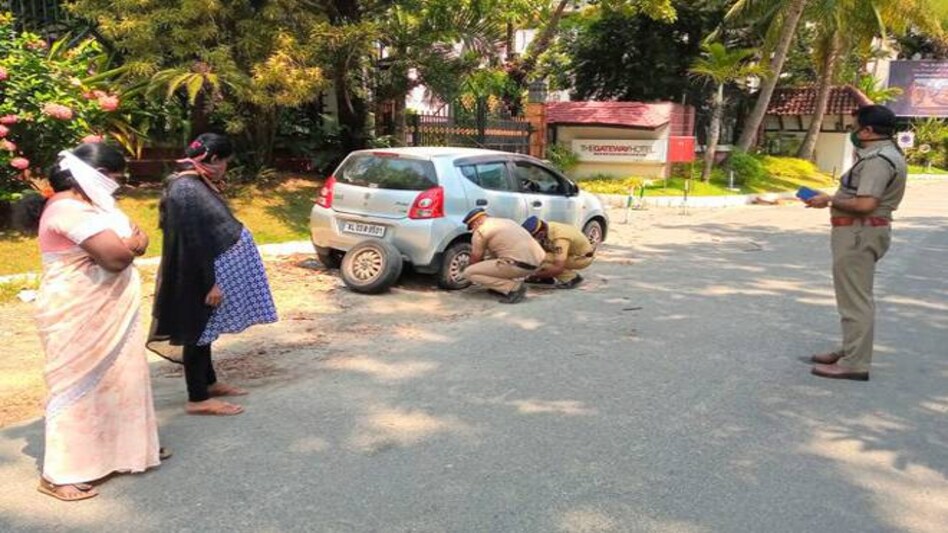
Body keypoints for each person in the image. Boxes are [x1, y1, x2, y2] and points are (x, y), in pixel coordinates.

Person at [27, 143, 165, 501]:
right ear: (96, 175)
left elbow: (140, 236)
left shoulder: (95, 206)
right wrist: (130, 245)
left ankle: (124, 452)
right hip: (78, 311)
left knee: (119, 378)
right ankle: (59, 474)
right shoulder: (68, 210)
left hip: (110, 309)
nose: (118, 184)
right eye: (115, 177)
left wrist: (131, 243)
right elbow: (116, 258)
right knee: (76, 387)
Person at [147, 134, 277, 415]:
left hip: (207, 270)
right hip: (199, 274)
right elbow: (194, 241)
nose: (226, 168)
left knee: (206, 329)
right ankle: (197, 398)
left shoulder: (193, 183)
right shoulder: (187, 189)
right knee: (197, 331)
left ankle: (209, 383)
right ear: (214, 159)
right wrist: (210, 282)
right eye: (226, 162)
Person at [804, 104, 907, 381]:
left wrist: (829, 199)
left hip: (859, 232)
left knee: (855, 301)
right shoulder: (887, 151)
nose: (852, 131)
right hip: (861, 232)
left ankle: (855, 363)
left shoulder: (877, 161)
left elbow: (865, 204)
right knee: (854, 296)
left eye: (855, 126)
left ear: (868, 130)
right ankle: (850, 349)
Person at [461, 208, 545, 304]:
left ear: (477, 222)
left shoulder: (481, 231)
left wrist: (465, 269)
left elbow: (476, 258)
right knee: (498, 258)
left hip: (517, 266)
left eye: (472, 226)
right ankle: (499, 288)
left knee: (469, 272)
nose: (473, 229)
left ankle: (514, 288)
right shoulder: (507, 222)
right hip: (538, 264)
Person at [521, 216, 595, 289]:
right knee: (538, 256)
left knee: (543, 261)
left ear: (541, 233)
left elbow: (558, 267)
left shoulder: (560, 239)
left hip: (582, 258)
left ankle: (572, 278)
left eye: (533, 237)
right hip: (572, 254)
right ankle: (546, 279)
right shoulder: (548, 227)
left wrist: (535, 275)